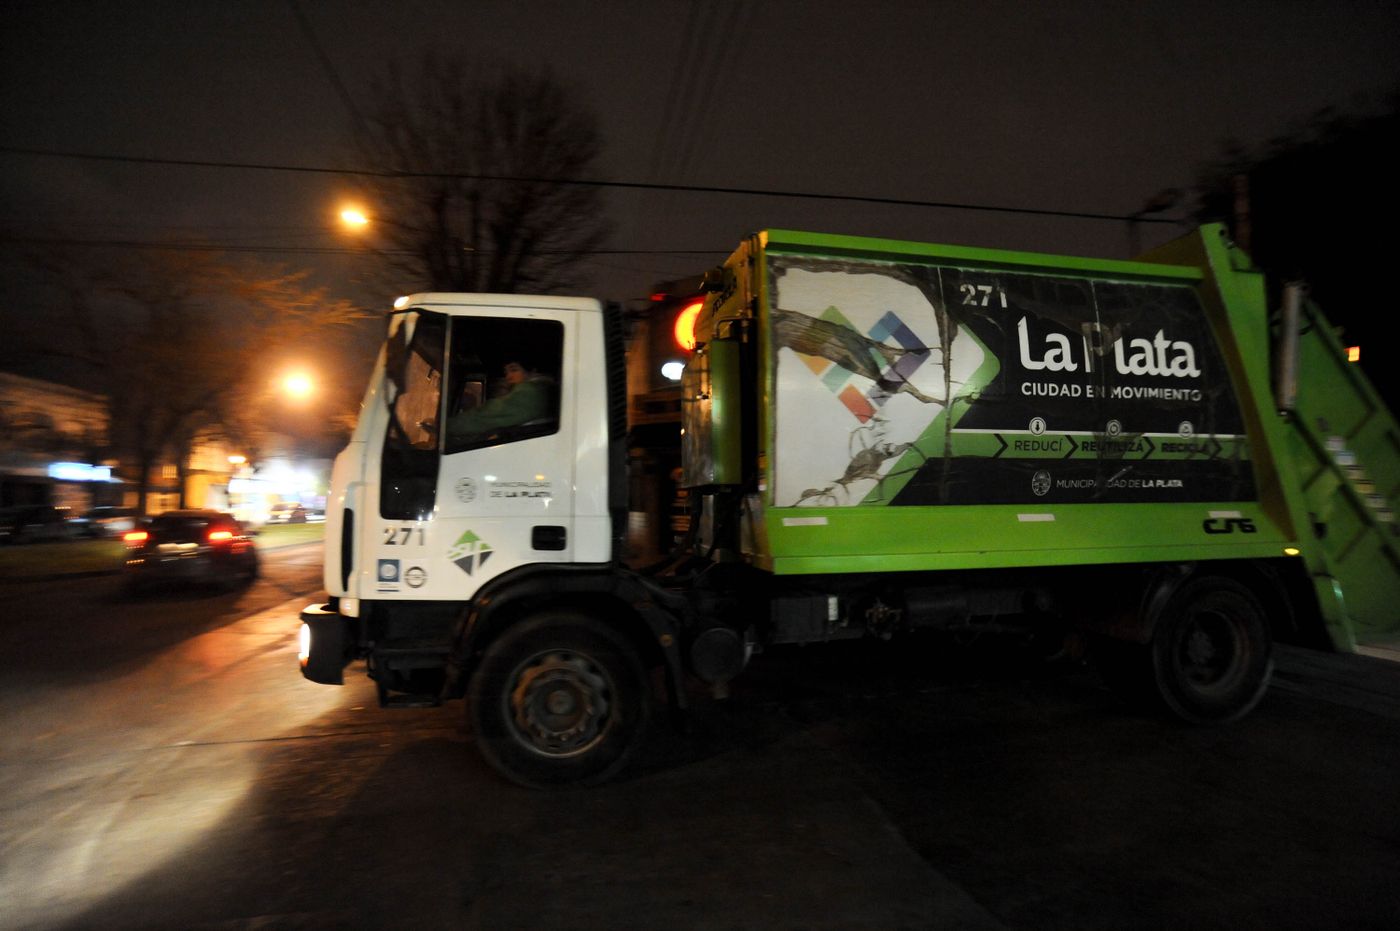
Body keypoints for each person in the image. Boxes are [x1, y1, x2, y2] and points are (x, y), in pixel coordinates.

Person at [447, 361, 552, 442]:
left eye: (514, 370)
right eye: (506, 372)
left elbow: (487, 415)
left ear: (531, 370)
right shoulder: (540, 389)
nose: (508, 376)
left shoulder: (529, 392)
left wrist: (445, 426)